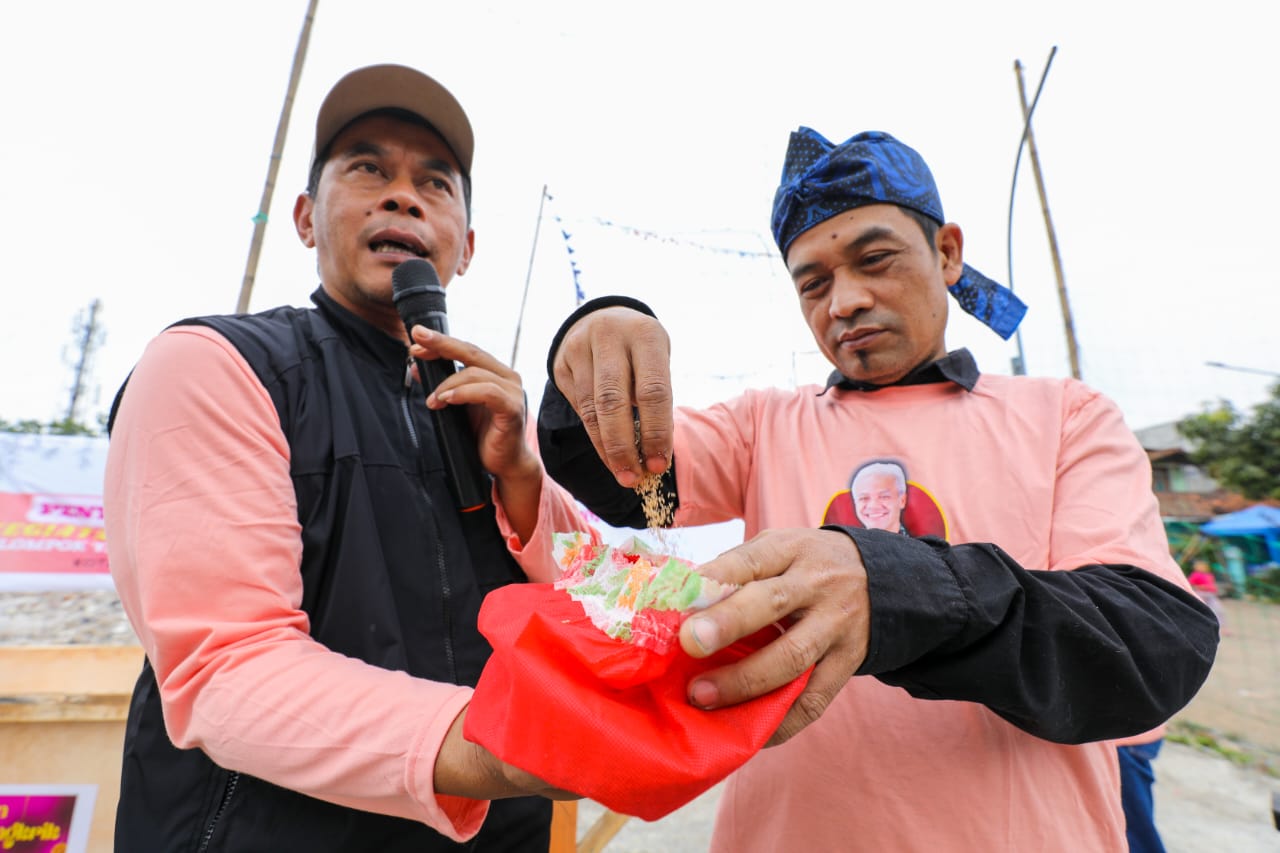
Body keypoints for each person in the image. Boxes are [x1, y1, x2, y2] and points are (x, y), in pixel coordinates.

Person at [536, 128, 1220, 850]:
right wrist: (596, 332)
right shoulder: (762, 426)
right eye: (814, 283)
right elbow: (622, 475)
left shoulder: (1065, 417)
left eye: (875, 259)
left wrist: (889, 589)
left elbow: (1148, 642)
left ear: (948, 252)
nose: (846, 301)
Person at [103, 64, 595, 852]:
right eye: (368, 168)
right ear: (304, 217)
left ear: (465, 247)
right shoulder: (216, 366)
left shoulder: (493, 415)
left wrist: (526, 481)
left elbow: (601, 612)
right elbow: (229, 669)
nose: (403, 195)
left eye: (435, 182)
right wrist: (504, 743)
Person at [850, 459, 909, 534]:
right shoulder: (843, 544)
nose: (873, 506)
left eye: (884, 497)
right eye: (864, 498)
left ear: (902, 500)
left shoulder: (919, 545)